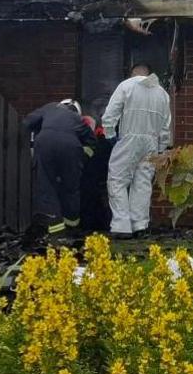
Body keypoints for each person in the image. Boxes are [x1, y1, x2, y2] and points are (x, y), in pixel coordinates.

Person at [101, 62, 172, 238]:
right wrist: (161, 148)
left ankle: (121, 225)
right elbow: (166, 126)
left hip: (129, 138)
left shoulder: (126, 86)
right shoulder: (162, 94)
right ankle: (139, 225)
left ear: (133, 73)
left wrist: (110, 134)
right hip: (151, 143)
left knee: (117, 180)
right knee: (142, 182)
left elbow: (111, 113)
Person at [24, 98, 94, 243]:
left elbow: (27, 122)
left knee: (47, 186)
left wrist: (37, 134)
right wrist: (82, 160)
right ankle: (71, 228)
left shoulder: (49, 107)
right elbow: (91, 141)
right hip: (71, 147)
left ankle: (56, 231)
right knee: (71, 187)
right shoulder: (76, 119)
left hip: (44, 143)